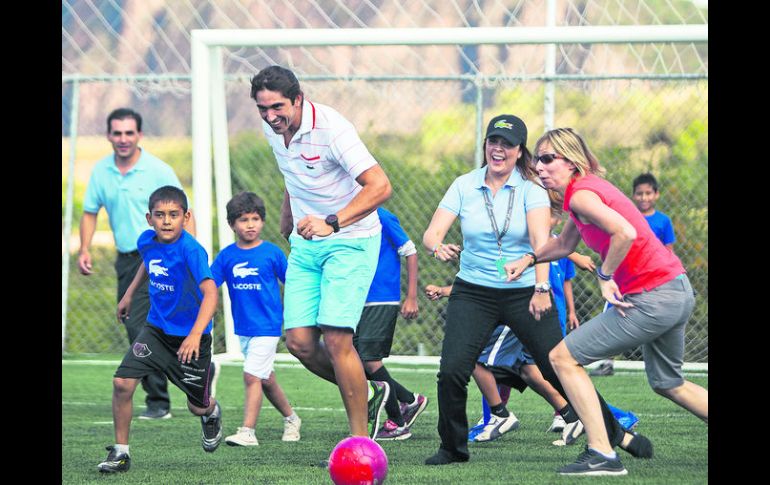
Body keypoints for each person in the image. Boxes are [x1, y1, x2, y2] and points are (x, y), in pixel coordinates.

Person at [421, 114, 646, 466]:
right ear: (485, 145)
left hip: (524, 291)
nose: (499, 149)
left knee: (559, 366)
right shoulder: (464, 185)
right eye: (493, 141)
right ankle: (452, 448)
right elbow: (432, 234)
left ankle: (613, 432)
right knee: (452, 369)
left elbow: (542, 244)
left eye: (507, 144)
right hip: (473, 291)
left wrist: (542, 288)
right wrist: (438, 247)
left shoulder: (532, 189)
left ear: (519, 151)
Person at [504, 127, 707, 476]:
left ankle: (602, 453)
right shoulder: (581, 195)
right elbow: (564, 246)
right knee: (668, 382)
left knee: (562, 358)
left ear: (572, 162)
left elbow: (624, 233)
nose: (540, 166)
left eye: (549, 158)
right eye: (537, 159)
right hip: (676, 290)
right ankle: (603, 451)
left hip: (653, 298)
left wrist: (605, 275)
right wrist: (529, 258)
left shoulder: (582, 196)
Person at [250, 65, 393, 440]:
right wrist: (286, 216)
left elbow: (380, 186)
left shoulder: (333, 129)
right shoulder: (273, 128)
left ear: (298, 99)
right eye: (262, 109)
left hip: (352, 239)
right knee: (298, 341)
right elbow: (291, 173)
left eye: (277, 107)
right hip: (306, 243)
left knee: (335, 337)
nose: (270, 116)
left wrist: (334, 221)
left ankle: (361, 442)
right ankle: (374, 391)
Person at [78, 108, 197, 420]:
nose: (123, 139)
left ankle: (161, 400)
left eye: (129, 133)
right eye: (117, 133)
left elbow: (186, 212)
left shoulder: (158, 170)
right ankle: (185, 380)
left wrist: (189, 257)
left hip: (163, 259)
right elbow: (90, 211)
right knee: (138, 327)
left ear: (139, 136)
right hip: (128, 261)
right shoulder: (101, 171)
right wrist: (85, 248)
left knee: (147, 328)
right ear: (108, 135)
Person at [97, 186, 221, 473]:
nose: (166, 221)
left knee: (196, 407)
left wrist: (193, 335)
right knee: (122, 383)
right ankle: (121, 452)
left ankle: (211, 410)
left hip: (192, 339)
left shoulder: (192, 251)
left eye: (174, 215)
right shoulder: (147, 241)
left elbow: (211, 294)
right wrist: (128, 294)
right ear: (149, 218)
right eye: (160, 215)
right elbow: (148, 264)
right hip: (155, 331)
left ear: (186, 217)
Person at [210, 192, 301, 447]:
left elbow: (293, 285)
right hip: (244, 329)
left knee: (251, 376)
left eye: (255, 218)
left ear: (262, 221)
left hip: (268, 327)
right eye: (243, 220)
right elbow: (209, 287)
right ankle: (292, 418)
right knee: (265, 379)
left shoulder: (272, 253)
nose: (250, 224)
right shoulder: (226, 256)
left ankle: (247, 431)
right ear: (232, 225)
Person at [590, 171, 677, 377]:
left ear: (656, 194)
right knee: (610, 314)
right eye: (639, 194)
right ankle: (607, 362)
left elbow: (668, 250)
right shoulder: (625, 218)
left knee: (655, 319)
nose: (644, 198)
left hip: (652, 280)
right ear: (633, 195)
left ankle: (662, 364)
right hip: (623, 278)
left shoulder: (663, 221)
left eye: (648, 193)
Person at [354, 207, 429, 441]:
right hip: (355, 299)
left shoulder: (382, 216)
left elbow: (411, 252)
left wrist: (411, 297)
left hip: (381, 298)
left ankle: (397, 423)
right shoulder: (346, 216)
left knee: (369, 360)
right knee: (356, 361)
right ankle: (408, 399)